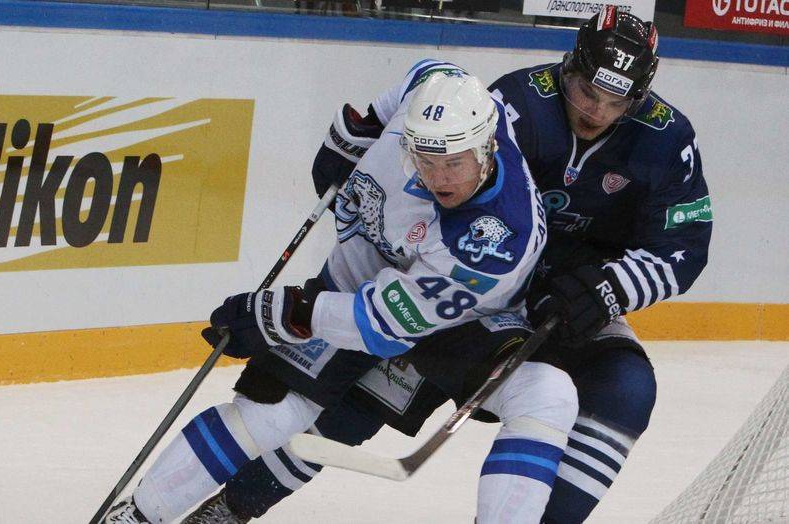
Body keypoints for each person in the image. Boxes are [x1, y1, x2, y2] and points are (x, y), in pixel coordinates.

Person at [196, 7, 713, 524]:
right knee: (356, 406)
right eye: (586, 92)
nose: (596, 112)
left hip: (569, 298)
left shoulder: (668, 140)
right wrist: (364, 160)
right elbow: (432, 191)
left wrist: (608, 288)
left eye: (616, 102)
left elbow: (684, 247)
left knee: (626, 389)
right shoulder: (516, 102)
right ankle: (233, 506)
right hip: (466, 292)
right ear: (569, 65)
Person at [103, 63, 577, 524]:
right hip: (362, 280)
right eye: (427, 162)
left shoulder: (493, 241)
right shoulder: (439, 87)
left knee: (542, 396)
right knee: (270, 412)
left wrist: (280, 313)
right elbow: (424, 73)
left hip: (465, 323)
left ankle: (234, 505)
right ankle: (139, 515)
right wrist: (361, 131)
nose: (440, 178)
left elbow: (381, 326)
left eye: (454, 163)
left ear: (486, 146)